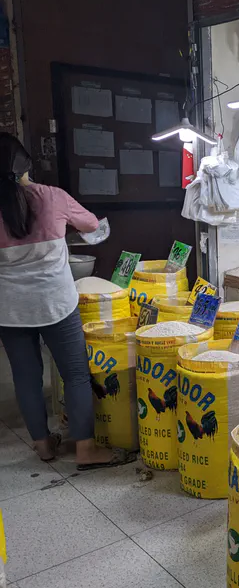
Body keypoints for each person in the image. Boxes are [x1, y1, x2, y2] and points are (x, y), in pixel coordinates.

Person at [0, 133, 134, 470]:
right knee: (75, 374)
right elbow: (91, 224)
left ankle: (43, 445)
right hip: (56, 303)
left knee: (26, 377)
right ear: (26, 166)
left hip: (10, 309)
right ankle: (86, 450)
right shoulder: (51, 197)